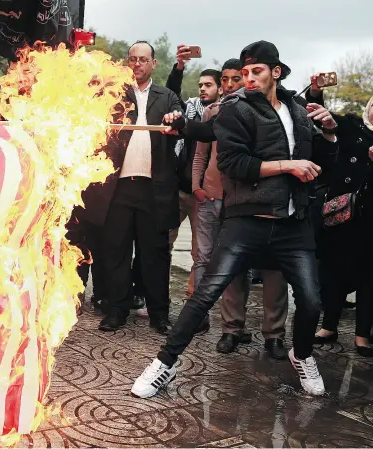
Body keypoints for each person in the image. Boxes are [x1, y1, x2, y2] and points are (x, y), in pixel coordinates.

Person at [131, 41, 338, 398]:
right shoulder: (236, 109)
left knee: (312, 301)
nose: (249, 79)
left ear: (276, 71)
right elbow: (234, 165)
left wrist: (331, 132)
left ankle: (302, 355)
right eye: (244, 73)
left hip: (293, 224)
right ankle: (164, 364)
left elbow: (323, 163)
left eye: (257, 71)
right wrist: (288, 165)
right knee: (205, 293)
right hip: (246, 221)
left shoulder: (300, 110)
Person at [192, 58, 290, 354]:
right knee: (232, 267)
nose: (237, 83)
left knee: (274, 270)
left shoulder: (283, 112)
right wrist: (198, 187)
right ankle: (232, 329)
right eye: (230, 78)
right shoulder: (218, 111)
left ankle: (274, 335)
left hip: (269, 201)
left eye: (245, 75)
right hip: (225, 201)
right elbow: (202, 146)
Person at [313, 90, 373, 357]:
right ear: (370, 105)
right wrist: (317, 92)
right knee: (334, 271)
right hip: (343, 213)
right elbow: (325, 120)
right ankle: (328, 326)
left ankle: (362, 335)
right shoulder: (352, 125)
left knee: (369, 275)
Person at [97, 41, 182, 334]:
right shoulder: (115, 94)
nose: (137, 64)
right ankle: (116, 310)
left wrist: (175, 119)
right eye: (132, 59)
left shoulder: (167, 96)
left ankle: (159, 314)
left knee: (154, 254)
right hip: (118, 187)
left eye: (143, 59)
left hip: (154, 188)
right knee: (116, 251)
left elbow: (179, 121)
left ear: (153, 64)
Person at [165, 44, 221, 299]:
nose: (202, 89)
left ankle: (194, 303)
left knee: (201, 254)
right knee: (162, 244)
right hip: (178, 190)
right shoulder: (189, 108)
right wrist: (179, 67)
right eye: (200, 85)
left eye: (208, 84)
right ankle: (154, 295)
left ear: (220, 88)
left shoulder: (226, 114)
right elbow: (170, 95)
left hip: (205, 196)